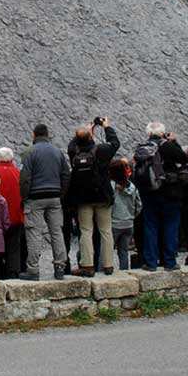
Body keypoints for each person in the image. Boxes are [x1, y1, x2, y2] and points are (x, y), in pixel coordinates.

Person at [67, 118, 120, 276]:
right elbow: (115, 143)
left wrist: (86, 131)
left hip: (83, 198)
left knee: (86, 230)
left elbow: (73, 142)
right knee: (106, 230)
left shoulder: (73, 151)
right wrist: (106, 126)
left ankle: (88, 265)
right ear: (91, 137)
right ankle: (108, 265)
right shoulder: (102, 151)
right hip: (102, 195)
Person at [19, 123, 71, 281]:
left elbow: (24, 178)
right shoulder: (58, 152)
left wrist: (25, 197)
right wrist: (60, 194)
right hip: (54, 196)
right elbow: (66, 174)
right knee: (56, 232)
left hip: (35, 197)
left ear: (34, 135)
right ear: (48, 135)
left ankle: (33, 269)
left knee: (34, 232)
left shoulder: (29, 152)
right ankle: (60, 267)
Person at [136, 122, 187, 272]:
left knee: (150, 226)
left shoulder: (142, 148)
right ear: (163, 133)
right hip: (169, 192)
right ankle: (169, 262)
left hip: (148, 192)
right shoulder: (167, 146)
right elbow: (183, 158)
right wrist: (174, 142)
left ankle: (151, 262)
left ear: (148, 134)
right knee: (170, 225)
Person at [0, 147, 25, 279]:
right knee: (14, 247)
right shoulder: (18, 173)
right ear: (12, 159)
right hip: (15, 217)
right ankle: (13, 273)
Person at [109, 158, 141, 270]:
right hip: (129, 223)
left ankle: (106, 270)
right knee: (123, 251)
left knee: (107, 250)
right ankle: (124, 271)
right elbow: (139, 205)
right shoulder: (132, 186)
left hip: (114, 223)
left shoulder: (112, 186)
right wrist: (132, 216)